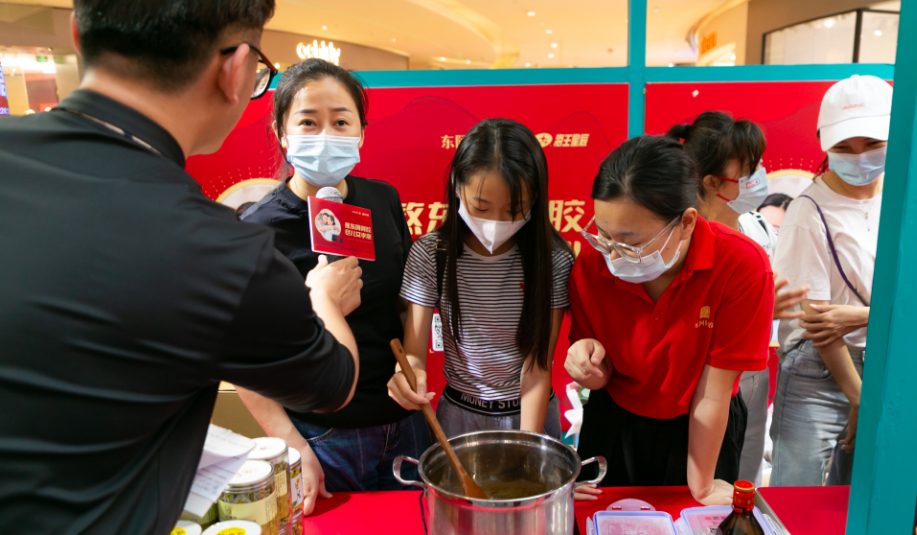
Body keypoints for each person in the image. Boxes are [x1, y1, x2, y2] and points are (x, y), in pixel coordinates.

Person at [0, 2, 363, 535]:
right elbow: (333, 381)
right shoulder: (220, 251)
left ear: (80, 35)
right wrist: (325, 300)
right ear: (237, 72)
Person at [239, 59, 429, 501]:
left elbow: (405, 301)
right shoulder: (255, 231)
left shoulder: (383, 200)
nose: (326, 134)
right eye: (308, 122)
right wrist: (292, 444)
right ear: (281, 134)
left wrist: (414, 364)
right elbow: (242, 359)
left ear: (361, 132)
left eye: (341, 121)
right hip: (323, 436)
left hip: (404, 423)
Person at [564, 135, 774, 505]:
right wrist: (587, 363)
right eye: (603, 235)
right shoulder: (592, 263)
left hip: (702, 426)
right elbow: (601, 374)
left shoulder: (741, 265)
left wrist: (702, 484)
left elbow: (714, 392)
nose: (614, 252)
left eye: (630, 242)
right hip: (616, 421)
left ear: (687, 222)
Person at [388, 118, 574, 440]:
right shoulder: (431, 254)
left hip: (529, 415)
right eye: (481, 207)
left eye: (514, 210)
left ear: (536, 201)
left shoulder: (552, 260)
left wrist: (526, 445)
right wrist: (407, 375)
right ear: (457, 187)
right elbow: (414, 352)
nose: (496, 223)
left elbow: (537, 368)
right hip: (458, 417)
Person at [666, 112, 808, 486]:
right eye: (749, 170)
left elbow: (778, 292)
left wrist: (763, 309)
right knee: (691, 475)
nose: (759, 176)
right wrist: (751, 309)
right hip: (695, 376)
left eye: (758, 165)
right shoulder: (673, 237)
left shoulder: (758, 230)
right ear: (713, 182)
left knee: (741, 470)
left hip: (750, 376)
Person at [770, 74, 893, 487]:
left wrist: (862, 317)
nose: (858, 157)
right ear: (824, 142)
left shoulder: (901, 200)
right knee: (796, 498)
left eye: (872, 144)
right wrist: (859, 397)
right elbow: (820, 322)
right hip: (819, 372)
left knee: (858, 499)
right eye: (843, 147)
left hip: (886, 364)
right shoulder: (809, 211)